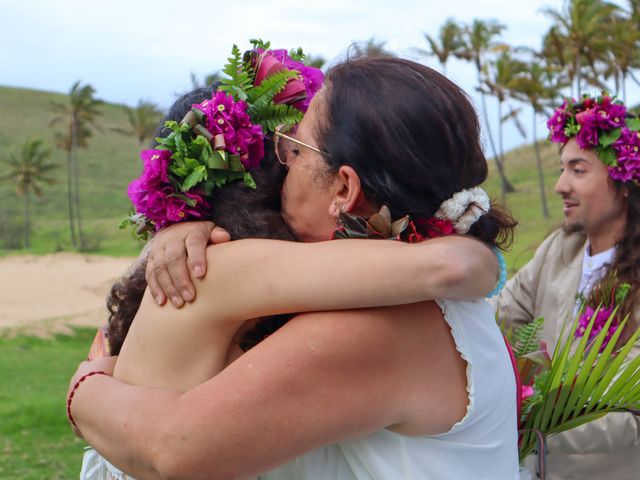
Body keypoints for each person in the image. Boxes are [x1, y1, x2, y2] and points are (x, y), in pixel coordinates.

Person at [69, 55, 520, 479]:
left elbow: (174, 448)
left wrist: (85, 391)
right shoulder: (400, 290)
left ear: (344, 188)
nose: (283, 165)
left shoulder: (389, 323)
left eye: (296, 150)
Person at [495, 93, 640, 480]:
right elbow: (501, 318)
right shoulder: (560, 250)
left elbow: (630, 407)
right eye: (562, 169)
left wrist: (533, 427)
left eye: (578, 170)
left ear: (624, 182)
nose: (560, 185)